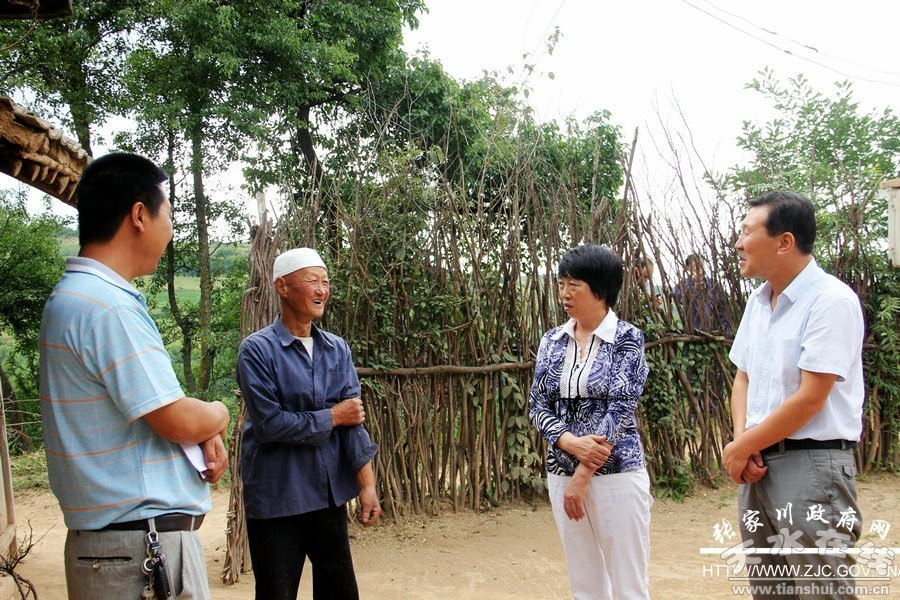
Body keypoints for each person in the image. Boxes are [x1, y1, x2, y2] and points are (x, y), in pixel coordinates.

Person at [39, 152, 230, 599]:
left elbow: (153, 410)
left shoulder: (73, 298)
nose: (171, 230)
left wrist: (199, 433)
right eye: (169, 215)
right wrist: (218, 414)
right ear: (140, 215)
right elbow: (177, 419)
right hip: (138, 550)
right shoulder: (108, 306)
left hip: (115, 546)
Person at [724, 191, 865, 599]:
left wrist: (743, 445)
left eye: (747, 232)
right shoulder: (758, 301)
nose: (738, 242)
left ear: (784, 242)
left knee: (823, 590)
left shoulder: (830, 301)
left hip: (812, 468)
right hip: (758, 465)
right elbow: (743, 379)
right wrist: (743, 444)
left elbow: (810, 398)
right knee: (769, 589)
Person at [236, 247, 381, 600]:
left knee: (339, 591)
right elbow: (270, 425)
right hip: (277, 497)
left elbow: (353, 423)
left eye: (326, 282)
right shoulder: (256, 351)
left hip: (327, 496)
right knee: (276, 592)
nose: (322, 290)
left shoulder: (336, 349)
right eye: (312, 281)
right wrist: (333, 415)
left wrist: (367, 486)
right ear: (282, 287)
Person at [529, 244, 652, 600]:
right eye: (561, 283)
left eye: (574, 284)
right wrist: (567, 441)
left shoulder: (628, 338)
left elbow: (621, 407)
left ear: (600, 289)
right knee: (585, 583)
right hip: (560, 471)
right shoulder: (552, 340)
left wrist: (582, 477)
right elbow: (538, 403)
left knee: (628, 583)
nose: (564, 293)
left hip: (617, 474)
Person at [672, 252, 731, 334]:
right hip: (694, 332)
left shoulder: (713, 284)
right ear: (688, 268)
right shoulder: (683, 285)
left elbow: (722, 308)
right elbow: (678, 299)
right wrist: (695, 288)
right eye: (694, 267)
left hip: (714, 332)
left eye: (701, 266)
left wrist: (725, 328)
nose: (699, 269)